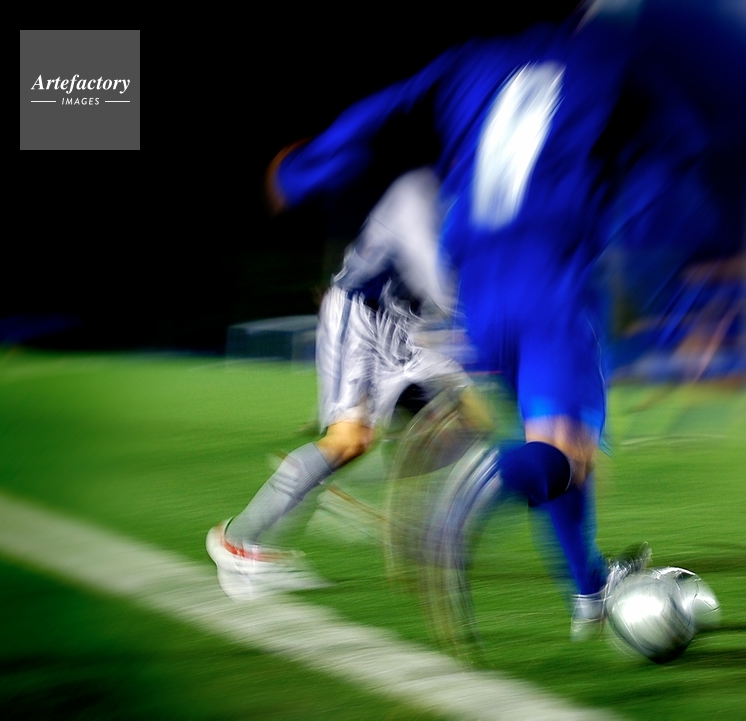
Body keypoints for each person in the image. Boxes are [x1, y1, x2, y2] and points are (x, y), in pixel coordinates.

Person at [259, 1, 684, 638]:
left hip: (478, 288)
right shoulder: (618, 57)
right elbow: (675, 156)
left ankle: (589, 592)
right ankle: (468, 500)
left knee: (557, 440)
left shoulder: (475, 58)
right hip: (549, 277)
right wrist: (662, 265)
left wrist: (306, 167)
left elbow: (387, 104)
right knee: (564, 451)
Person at [207, 167, 472, 601]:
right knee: (349, 440)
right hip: (363, 312)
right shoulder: (425, 190)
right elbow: (440, 280)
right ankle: (238, 541)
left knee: (468, 425)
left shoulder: (483, 203)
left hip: (407, 325)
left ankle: (341, 487)